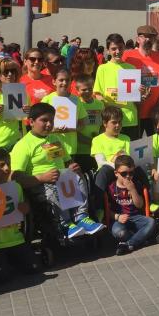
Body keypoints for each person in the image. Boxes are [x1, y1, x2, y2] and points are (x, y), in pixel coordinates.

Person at [10, 103, 104, 240]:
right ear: (31, 122)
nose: (49, 124)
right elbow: (16, 177)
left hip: (61, 179)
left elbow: (67, 161)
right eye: (44, 120)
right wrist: (41, 178)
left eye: (51, 120)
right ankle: (64, 223)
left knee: (78, 176)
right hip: (39, 185)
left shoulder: (54, 139)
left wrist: (72, 167)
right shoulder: (23, 145)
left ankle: (81, 217)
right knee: (52, 187)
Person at [0, 149, 38, 282]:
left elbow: (24, 209)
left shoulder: (15, 187)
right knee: (1, 278)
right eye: (1, 165)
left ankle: (10, 261)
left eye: (8, 164)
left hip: (15, 239)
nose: (7, 168)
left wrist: (25, 208)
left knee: (34, 268)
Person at [122, 25, 159, 136]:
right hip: (133, 112)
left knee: (155, 147)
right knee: (134, 147)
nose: (148, 40)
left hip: (154, 113)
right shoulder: (128, 56)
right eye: (145, 37)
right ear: (138, 39)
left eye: (151, 37)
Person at [94, 34, 141, 140]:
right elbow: (97, 94)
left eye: (120, 48)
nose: (117, 51)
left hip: (130, 119)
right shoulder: (102, 69)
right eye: (113, 49)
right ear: (108, 50)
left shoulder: (132, 68)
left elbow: (136, 98)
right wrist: (109, 109)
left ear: (124, 47)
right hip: (111, 122)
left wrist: (142, 94)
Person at [107, 155, 157, 255]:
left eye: (131, 173)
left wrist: (133, 190)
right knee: (119, 233)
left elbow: (139, 205)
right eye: (124, 173)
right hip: (119, 220)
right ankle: (141, 239)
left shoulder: (136, 184)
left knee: (151, 222)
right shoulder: (111, 188)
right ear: (116, 173)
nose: (128, 176)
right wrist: (117, 217)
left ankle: (129, 244)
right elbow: (106, 211)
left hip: (136, 217)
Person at [41, 69, 88, 159]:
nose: (64, 83)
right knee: (56, 171)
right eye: (61, 80)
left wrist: (72, 129)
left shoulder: (76, 100)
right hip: (52, 144)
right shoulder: (47, 100)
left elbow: (82, 123)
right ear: (54, 81)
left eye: (67, 80)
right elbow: (40, 124)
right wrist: (53, 129)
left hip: (70, 147)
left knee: (68, 171)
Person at [0, 59, 24, 153]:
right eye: (6, 72)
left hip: (18, 141)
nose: (10, 74)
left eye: (13, 71)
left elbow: (28, 117)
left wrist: (28, 111)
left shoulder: (21, 91)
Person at [73, 74, 104, 171]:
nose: (87, 92)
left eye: (90, 89)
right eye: (83, 90)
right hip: (80, 149)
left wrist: (98, 139)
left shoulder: (100, 104)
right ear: (77, 90)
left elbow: (103, 125)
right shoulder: (75, 105)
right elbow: (73, 129)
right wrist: (88, 141)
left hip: (96, 148)